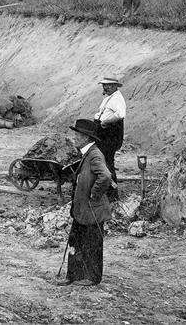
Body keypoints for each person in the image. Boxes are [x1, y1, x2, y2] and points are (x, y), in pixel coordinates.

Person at [61, 119, 112, 287]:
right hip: (82, 209)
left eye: (77, 135)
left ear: (86, 137)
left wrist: (94, 194)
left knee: (92, 243)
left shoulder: (95, 154)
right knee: (77, 241)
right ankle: (74, 275)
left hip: (92, 209)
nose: (74, 137)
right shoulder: (87, 153)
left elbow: (105, 176)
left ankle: (92, 277)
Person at [93, 76, 126, 201]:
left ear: (115, 86)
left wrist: (105, 122)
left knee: (107, 164)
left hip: (109, 136)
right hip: (103, 134)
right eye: (104, 85)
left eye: (108, 85)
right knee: (104, 162)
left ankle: (112, 194)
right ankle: (108, 192)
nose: (105, 87)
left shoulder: (117, 98)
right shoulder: (109, 98)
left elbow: (120, 115)